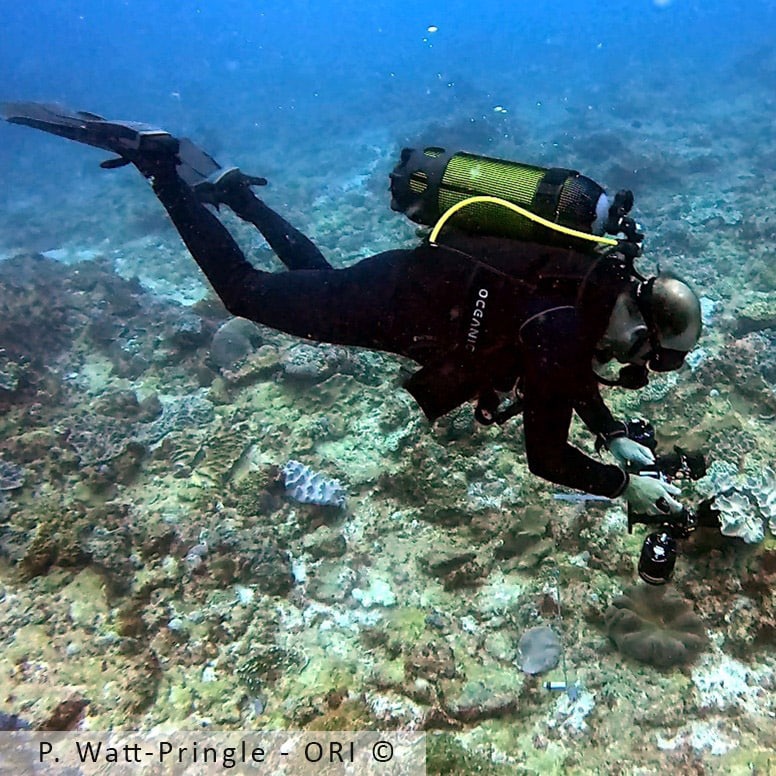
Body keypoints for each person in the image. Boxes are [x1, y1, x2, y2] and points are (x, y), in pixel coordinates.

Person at [1, 102, 702, 517]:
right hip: (394, 306)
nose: (627, 365)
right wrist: (620, 488)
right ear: (643, 328)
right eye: (643, 358)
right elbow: (547, 457)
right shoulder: (569, 326)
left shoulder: (594, 279)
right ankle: (157, 165)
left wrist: (611, 432)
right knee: (243, 293)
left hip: (402, 289)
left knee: (321, 285)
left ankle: (241, 198)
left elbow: (566, 365)